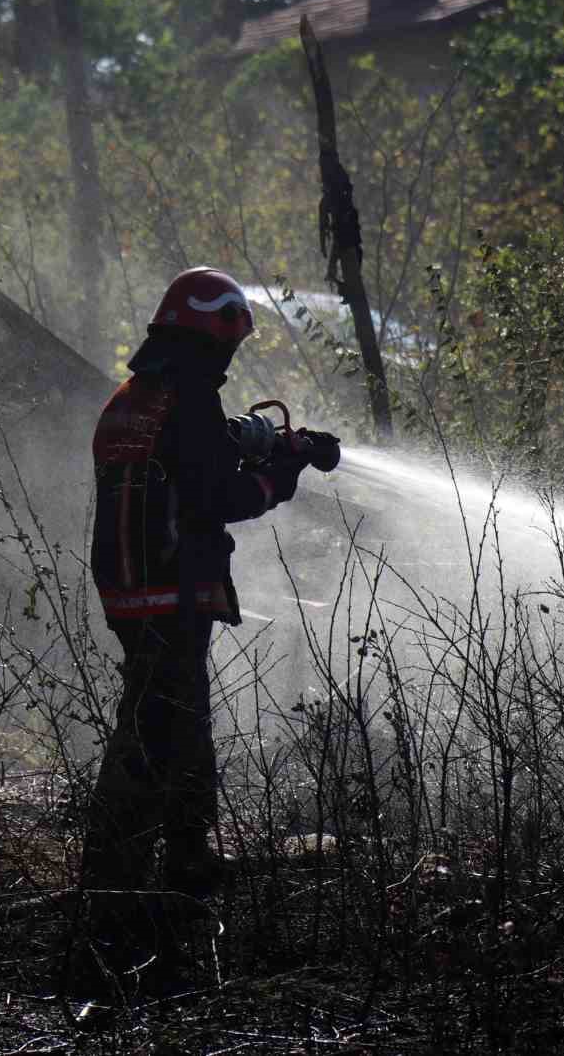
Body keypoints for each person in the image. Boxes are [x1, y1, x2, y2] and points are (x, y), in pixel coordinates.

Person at [83, 267, 338, 902]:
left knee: (174, 720)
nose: (227, 362)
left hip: (129, 589)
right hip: (170, 587)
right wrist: (283, 471)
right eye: (225, 348)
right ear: (205, 342)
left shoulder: (134, 398)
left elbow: (190, 458)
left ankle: (178, 861)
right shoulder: (188, 401)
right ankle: (121, 876)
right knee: (159, 727)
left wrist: (257, 442)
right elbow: (218, 493)